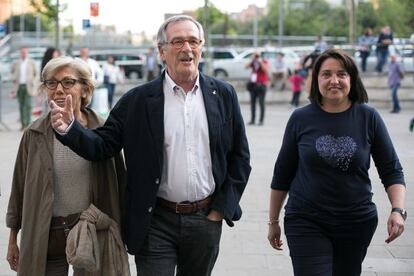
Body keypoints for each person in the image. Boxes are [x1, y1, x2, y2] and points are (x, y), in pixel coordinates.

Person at [50, 15, 251, 276]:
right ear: (162, 52)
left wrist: (221, 209)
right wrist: (70, 129)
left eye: (193, 41)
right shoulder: (138, 100)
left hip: (205, 219)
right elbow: (102, 145)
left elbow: (240, 156)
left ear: (201, 47)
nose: (187, 49)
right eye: (177, 42)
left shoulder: (223, 94)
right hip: (155, 220)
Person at [267, 49, 406, 276]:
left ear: (351, 78)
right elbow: (282, 174)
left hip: (356, 223)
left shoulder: (369, 117)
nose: (334, 80)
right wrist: (273, 221)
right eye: (326, 74)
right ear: (316, 79)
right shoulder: (300, 119)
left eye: (341, 74)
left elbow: (391, 170)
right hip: (305, 220)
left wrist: (398, 211)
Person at [6, 56, 127, 275]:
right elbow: (19, 189)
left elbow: (119, 184)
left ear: (85, 89)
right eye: (51, 83)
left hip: (90, 231)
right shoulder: (34, 134)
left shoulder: (103, 132)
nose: (59, 89)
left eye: (68, 82)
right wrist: (13, 238)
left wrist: (122, 233)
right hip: (47, 232)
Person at [11, 47, 38, 130]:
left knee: (28, 105)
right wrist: (13, 78)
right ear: (20, 53)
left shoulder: (31, 62)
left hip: (29, 86)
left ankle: (28, 124)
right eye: (22, 52)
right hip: (19, 87)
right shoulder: (16, 63)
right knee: (21, 105)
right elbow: (12, 71)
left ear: (27, 52)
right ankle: (23, 124)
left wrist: (33, 82)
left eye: (25, 52)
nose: (23, 53)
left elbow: (36, 74)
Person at [246, 51, 269, 125]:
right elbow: (246, 67)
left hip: (261, 85)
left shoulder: (264, 61)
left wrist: (260, 61)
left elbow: (266, 70)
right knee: (252, 103)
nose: (256, 57)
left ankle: (261, 120)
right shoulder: (253, 63)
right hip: (253, 85)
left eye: (257, 56)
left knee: (261, 103)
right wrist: (252, 60)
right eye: (255, 56)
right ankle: (252, 120)